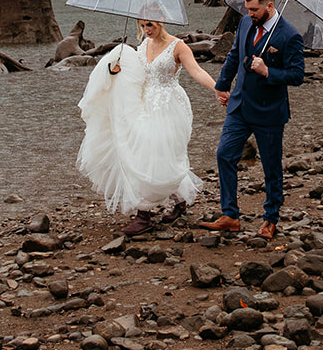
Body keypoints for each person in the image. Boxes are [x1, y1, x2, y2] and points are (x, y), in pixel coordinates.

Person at [77, 17, 219, 236]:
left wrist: (218, 89)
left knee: (159, 154)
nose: (146, 30)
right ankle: (175, 201)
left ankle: (145, 215)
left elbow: (197, 71)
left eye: (150, 25)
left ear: (161, 23)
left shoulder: (178, 46)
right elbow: (137, 74)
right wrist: (116, 70)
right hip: (142, 104)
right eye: (142, 26)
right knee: (142, 154)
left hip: (168, 106)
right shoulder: (143, 45)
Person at [199, 0, 305, 240]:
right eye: (247, 9)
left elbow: (297, 76)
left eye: (254, 9)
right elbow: (234, 56)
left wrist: (268, 71)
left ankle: (270, 219)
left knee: (271, 168)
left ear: (269, 6)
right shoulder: (246, 24)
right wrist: (221, 87)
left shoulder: (290, 35)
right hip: (239, 106)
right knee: (224, 155)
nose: (250, 13)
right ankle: (230, 215)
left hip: (269, 112)